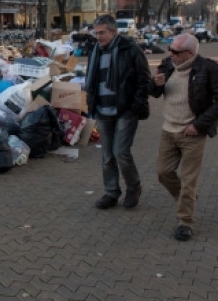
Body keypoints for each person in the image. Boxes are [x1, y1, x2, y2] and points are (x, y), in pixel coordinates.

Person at [149, 34, 218, 241]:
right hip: (168, 130)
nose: (171, 54)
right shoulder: (167, 65)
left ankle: (185, 222)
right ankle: (187, 200)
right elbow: (153, 93)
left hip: (192, 133)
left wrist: (198, 124)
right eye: (170, 49)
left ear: (190, 53)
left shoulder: (208, 69)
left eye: (176, 52)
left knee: (189, 180)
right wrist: (156, 83)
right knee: (163, 172)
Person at [84, 15, 151, 210]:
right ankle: (111, 192)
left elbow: (144, 81)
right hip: (102, 110)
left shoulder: (130, 50)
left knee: (120, 152)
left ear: (114, 31)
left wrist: (134, 107)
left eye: (102, 33)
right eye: (96, 33)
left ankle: (133, 187)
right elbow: (92, 81)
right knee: (107, 156)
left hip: (124, 111)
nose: (99, 37)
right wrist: (91, 103)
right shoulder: (95, 51)